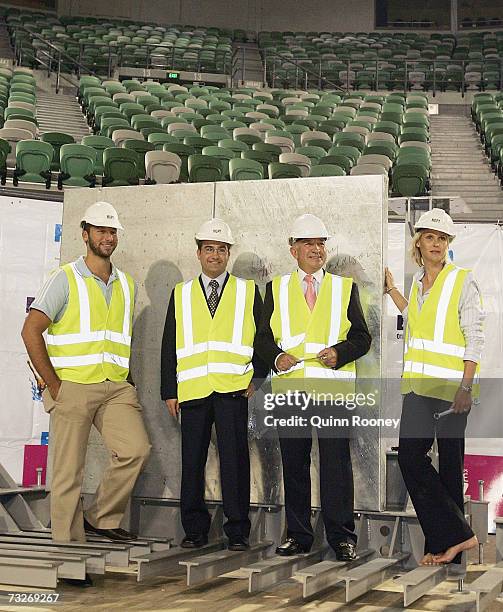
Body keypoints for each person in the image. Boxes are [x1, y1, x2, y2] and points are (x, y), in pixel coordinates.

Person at [21, 201, 151, 551]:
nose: (108, 237)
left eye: (112, 231)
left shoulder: (126, 284)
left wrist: (127, 379)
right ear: (85, 234)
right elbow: (31, 330)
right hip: (73, 386)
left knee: (136, 450)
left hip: (116, 388)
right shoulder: (64, 279)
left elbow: (120, 338)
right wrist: (53, 384)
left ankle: (100, 519)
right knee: (68, 473)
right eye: (101, 231)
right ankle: (67, 549)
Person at [255, 214, 371, 561]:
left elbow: (363, 338)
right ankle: (299, 536)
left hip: (333, 392)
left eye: (320, 243)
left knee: (336, 465)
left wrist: (341, 352)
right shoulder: (275, 289)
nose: (316, 249)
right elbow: (262, 338)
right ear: (293, 250)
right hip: (291, 391)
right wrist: (275, 358)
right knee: (294, 463)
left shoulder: (343, 288)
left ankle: (342, 537)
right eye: (308, 244)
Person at [385, 208, 484, 565]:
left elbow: (475, 336)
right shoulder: (416, 284)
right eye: (430, 237)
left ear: (448, 244)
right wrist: (393, 289)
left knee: (450, 465)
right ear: (419, 243)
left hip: (452, 390)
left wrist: (466, 387)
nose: (437, 243)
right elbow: (416, 316)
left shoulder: (462, 280)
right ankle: (458, 537)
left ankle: (445, 549)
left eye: (442, 238)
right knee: (410, 458)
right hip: (418, 389)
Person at [160, 218, 267, 551]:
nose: (215, 256)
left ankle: (237, 531)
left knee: (235, 461)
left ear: (228, 254)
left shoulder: (248, 291)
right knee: (191, 461)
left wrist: (259, 376)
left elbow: (264, 337)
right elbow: (169, 344)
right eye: (209, 249)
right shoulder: (182, 293)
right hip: (192, 390)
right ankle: (194, 530)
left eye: (221, 250)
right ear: (198, 253)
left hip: (233, 388)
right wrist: (169, 390)